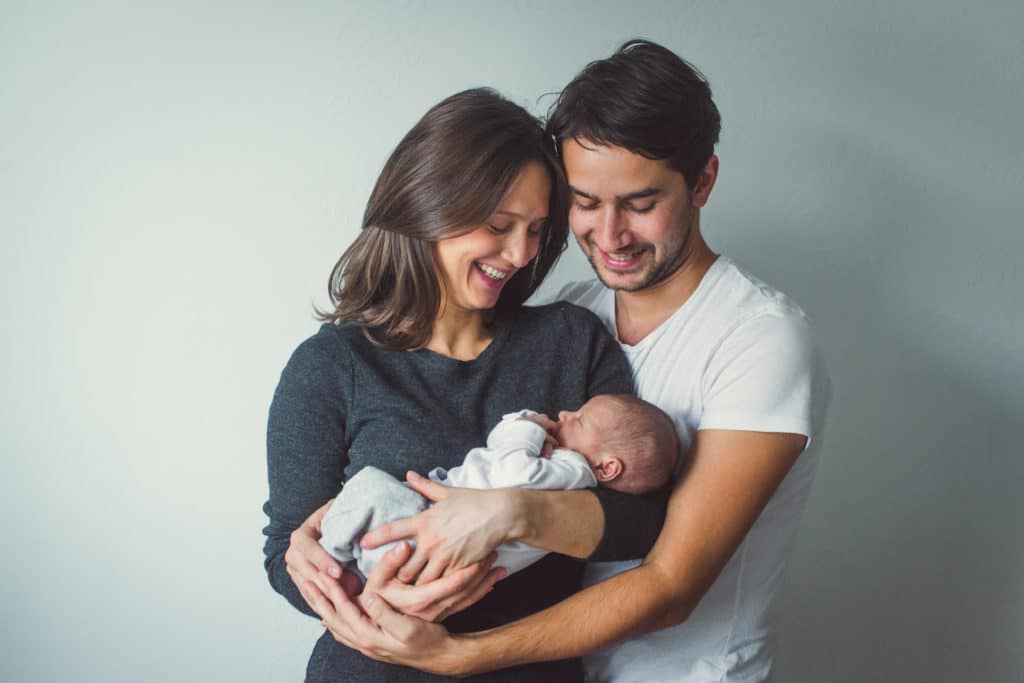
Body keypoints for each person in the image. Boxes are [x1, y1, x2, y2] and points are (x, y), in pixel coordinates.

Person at [294, 40, 831, 683]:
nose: (609, 237)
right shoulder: (575, 315)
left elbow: (668, 580)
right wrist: (319, 560)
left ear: (703, 183)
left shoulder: (761, 340)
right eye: (585, 202)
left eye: (639, 203)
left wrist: (459, 652)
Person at [261, 87, 671, 682]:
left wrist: (510, 512)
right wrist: (355, 592)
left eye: (535, 230)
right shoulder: (332, 367)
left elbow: (643, 522)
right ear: (426, 204)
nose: (520, 253)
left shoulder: (570, 342)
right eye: (499, 225)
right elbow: (284, 553)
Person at [319, 395, 679, 580]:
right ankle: (340, 567)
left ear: (606, 467)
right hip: (422, 548)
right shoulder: (564, 472)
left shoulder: (573, 473)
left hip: (425, 536)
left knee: (370, 485)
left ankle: (331, 557)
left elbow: (510, 470)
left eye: (580, 419)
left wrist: (528, 426)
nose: (566, 415)